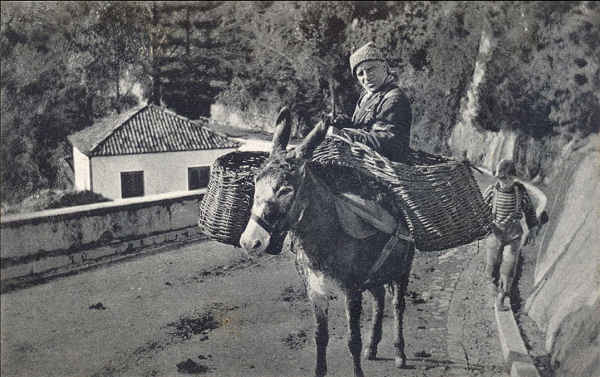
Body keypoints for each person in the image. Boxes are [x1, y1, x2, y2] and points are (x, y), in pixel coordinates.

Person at [327, 42, 412, 162]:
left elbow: (388, 142)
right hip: (365, 160)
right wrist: (341, 122)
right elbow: (360, 126)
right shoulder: (367, 96)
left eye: (370, 69)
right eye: (360, 74)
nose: (366, 77)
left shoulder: (393, 99)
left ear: (384, 67)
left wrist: (344, 135)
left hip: (386, 166)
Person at [483, 159, 540, 311]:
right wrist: (483, 225)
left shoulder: (520, 192)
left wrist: (533, 229)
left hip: (513, 235)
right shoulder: (492, 191)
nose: (505, 182)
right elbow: (481, 211)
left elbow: (529, 211)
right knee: (492, 264)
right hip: (494, 233)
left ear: (514, 177)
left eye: (508, 178)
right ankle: (493, 287)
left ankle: (502, 297)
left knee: (509, 265)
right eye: (501, 179)